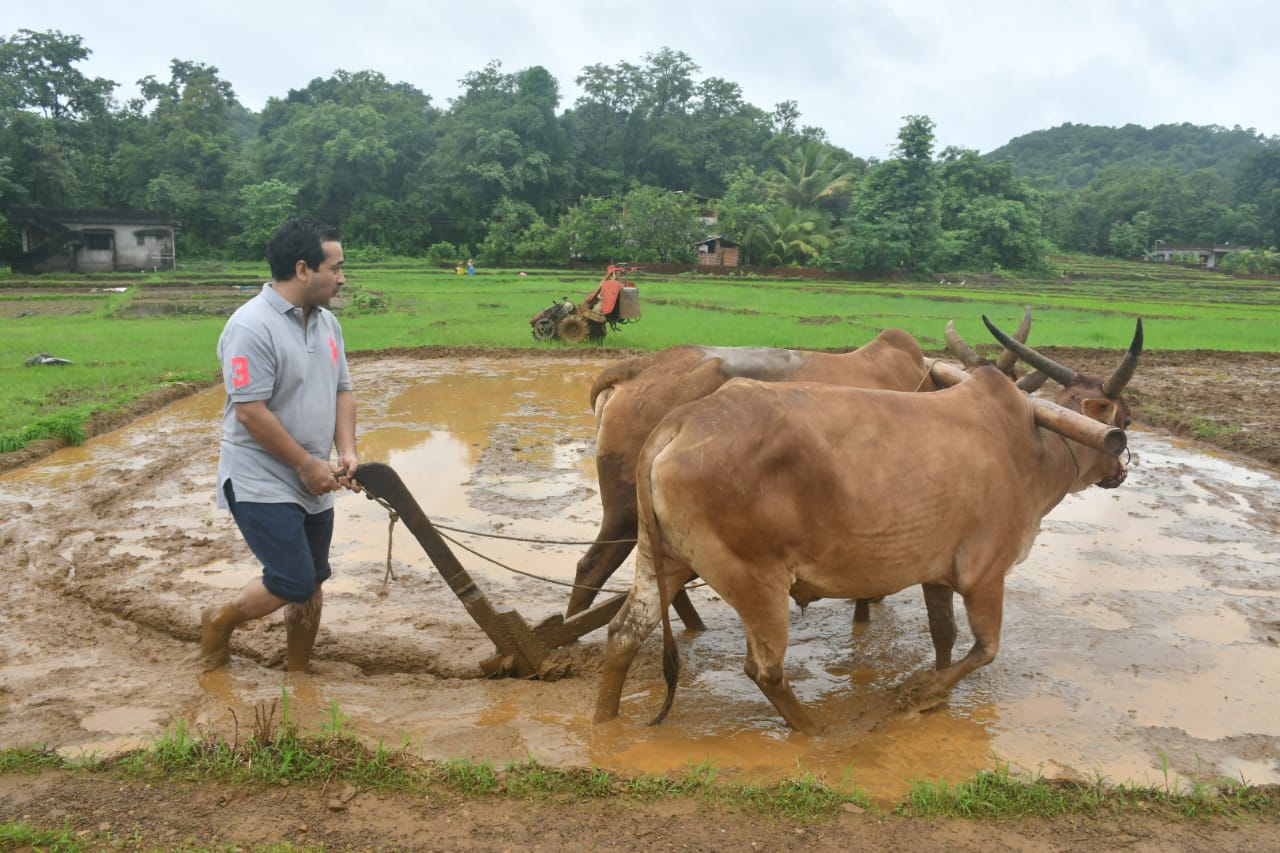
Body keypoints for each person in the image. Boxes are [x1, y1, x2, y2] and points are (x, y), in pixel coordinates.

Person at [199, 217, 359, 673]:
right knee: (293, 578)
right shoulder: (251, 327)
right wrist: (307, 465)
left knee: (313, 579)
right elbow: (251, 412)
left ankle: (299, 670)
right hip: (261, 479)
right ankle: (219, 620)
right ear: (304, 268)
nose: (343, 278)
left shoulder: (328, 324)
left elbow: (342, 390)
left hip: (314, 475)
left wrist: (345, 451)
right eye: (337, 268)